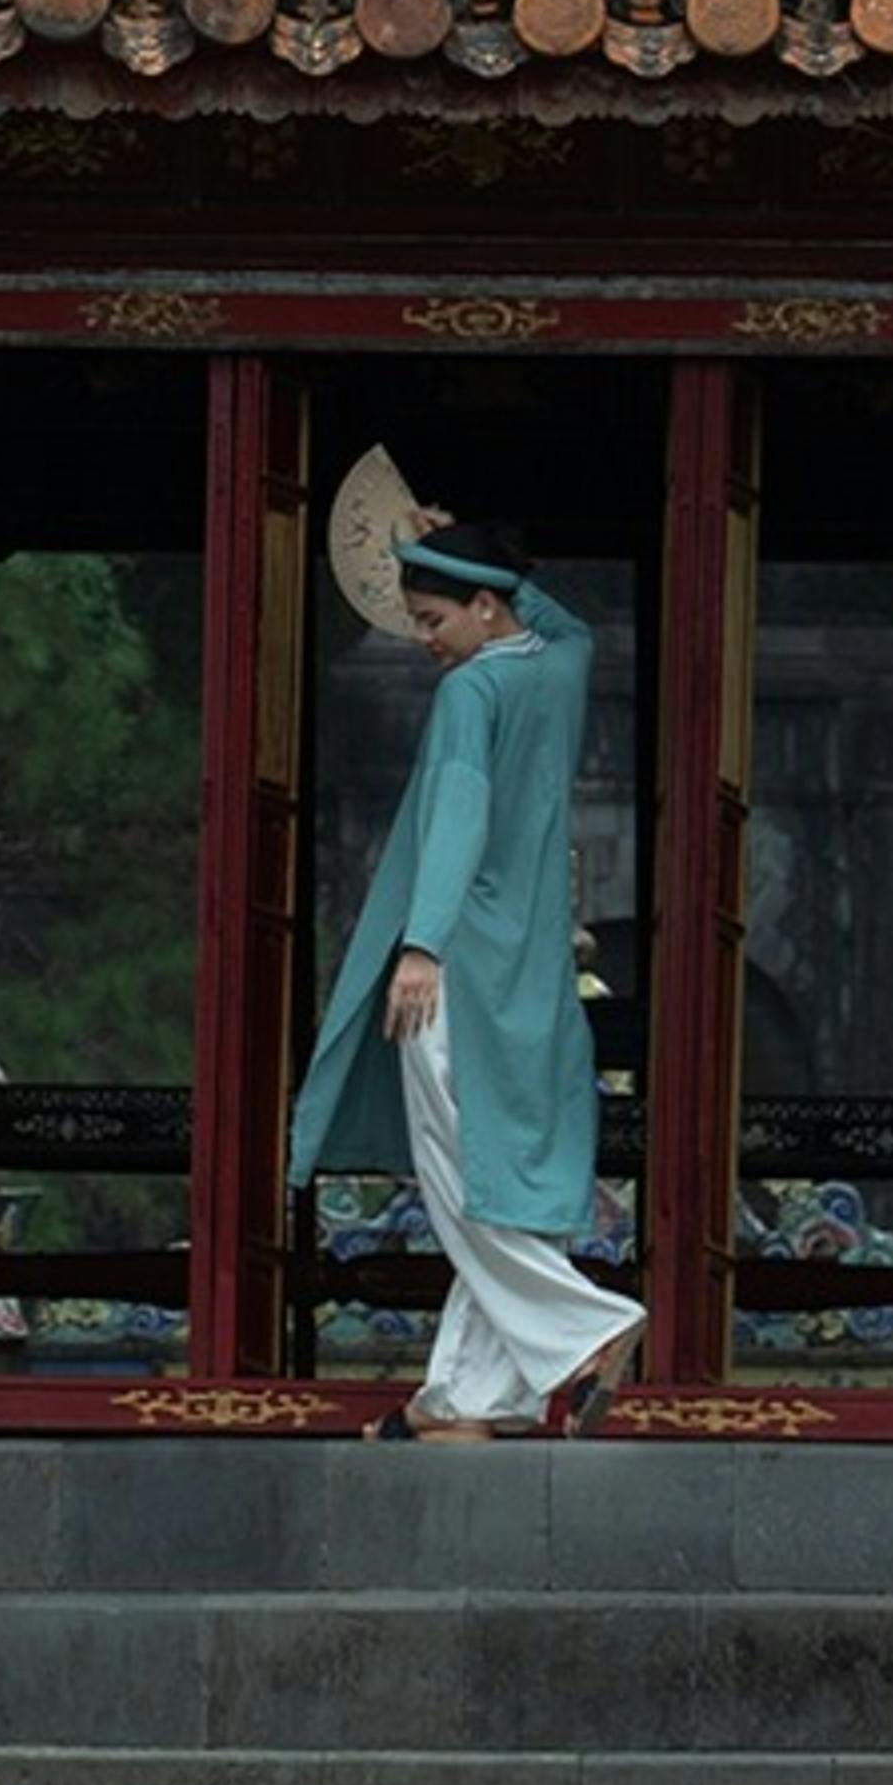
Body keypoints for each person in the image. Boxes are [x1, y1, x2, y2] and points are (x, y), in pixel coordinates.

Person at [284, 512, 643, 1437]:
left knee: (463, 1179)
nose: (427, 644)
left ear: (486, 609)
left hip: (460, 971)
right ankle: (463, 1403)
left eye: (435, 619)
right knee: (507, 1184)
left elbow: (457, 817)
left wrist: (421, 946)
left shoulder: (470, 695)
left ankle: (588, 1329)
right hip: (528, 970)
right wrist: (476, 553)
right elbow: (569, 626)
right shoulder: (555, 669)